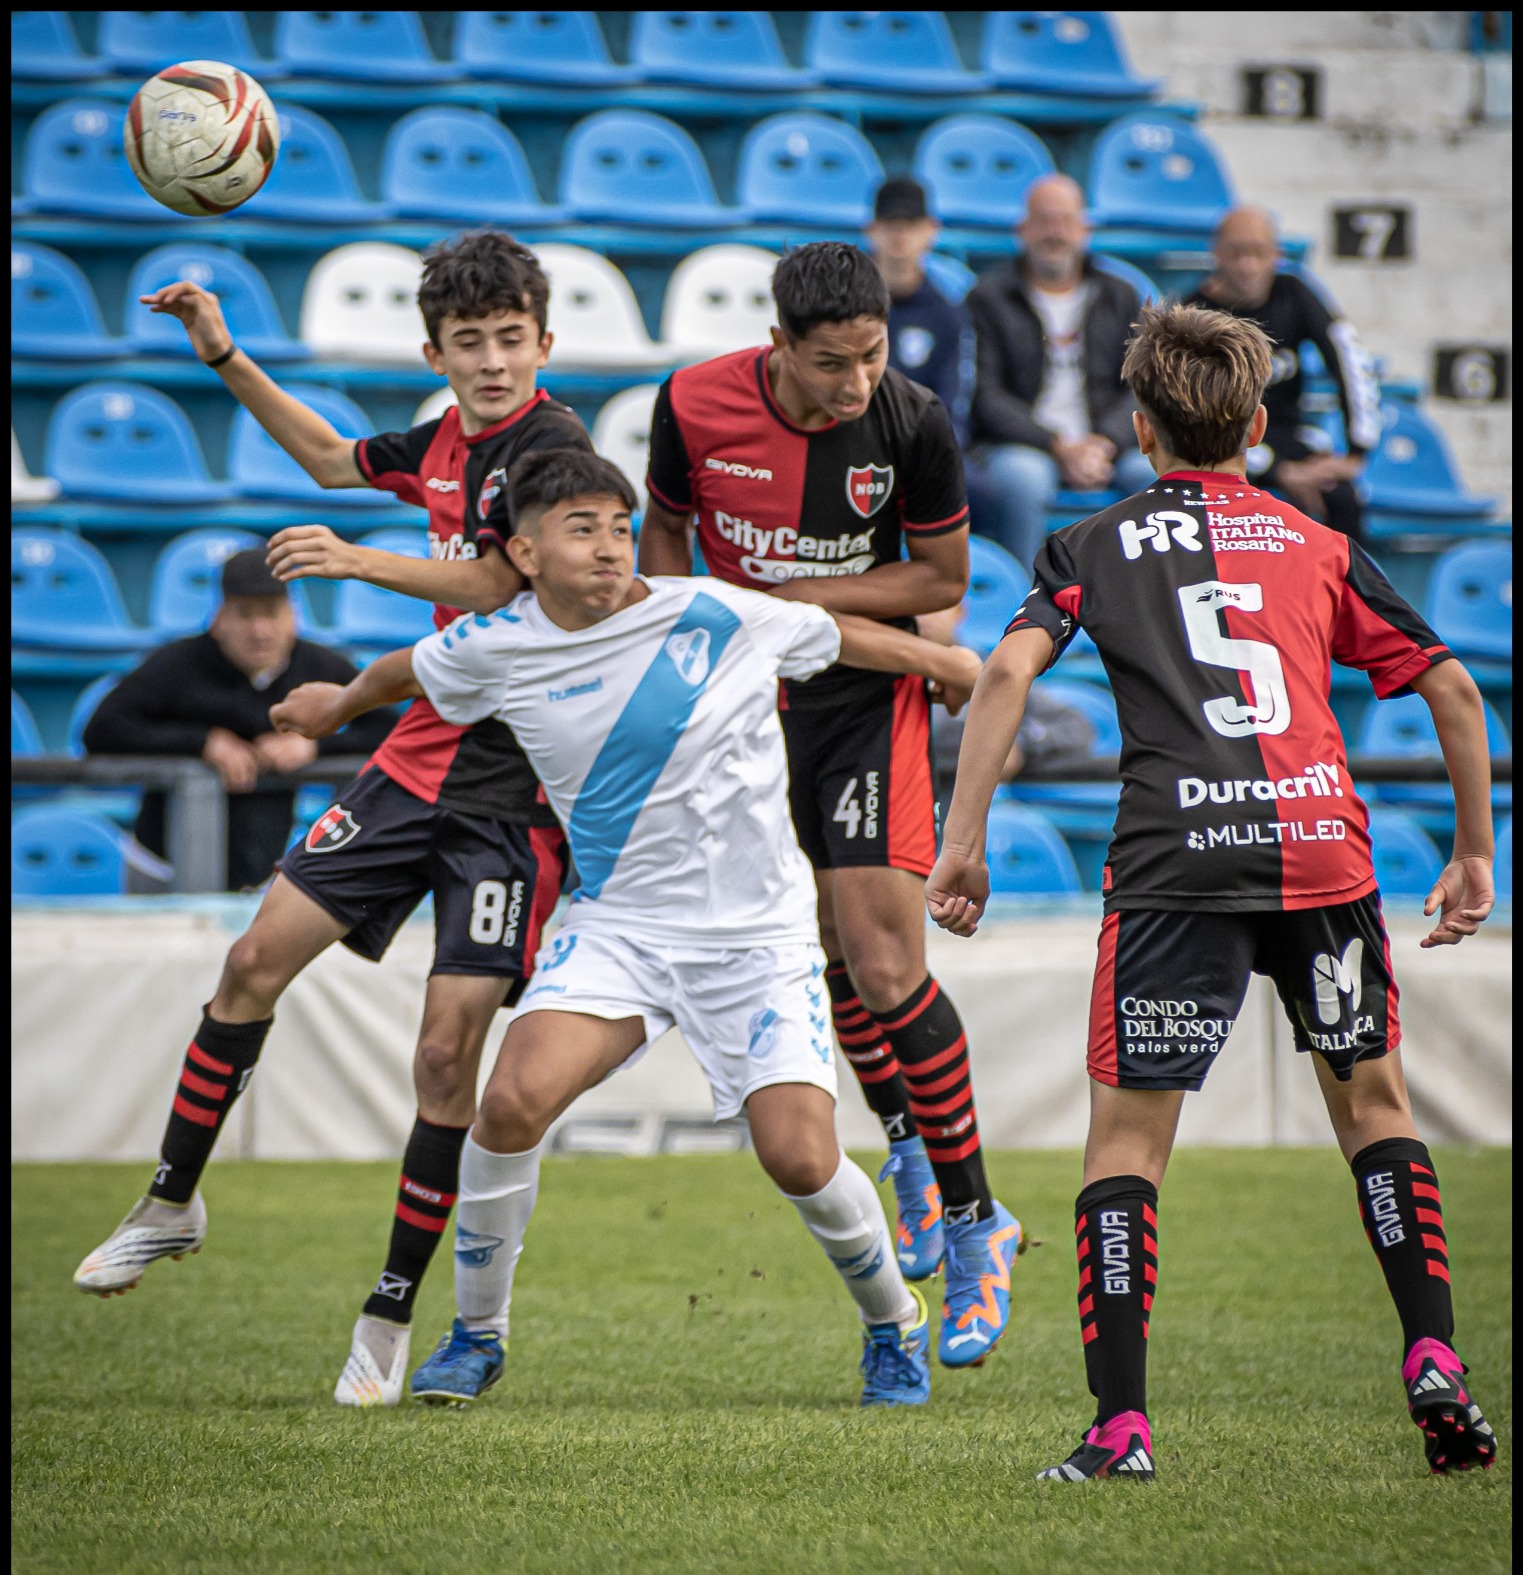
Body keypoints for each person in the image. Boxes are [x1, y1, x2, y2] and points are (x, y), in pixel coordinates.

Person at [272, 448, 990, 1407]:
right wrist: (336, 703)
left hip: (756, 942)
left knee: (801, 1158)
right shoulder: (497, 644)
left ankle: (890, 1320)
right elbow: (409, 668)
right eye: (582, 530)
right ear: (522, 554)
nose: (612, 546)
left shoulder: (710, 608)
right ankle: (477, 1334)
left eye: (617, 525)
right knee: (511, 1101)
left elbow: (836, 635)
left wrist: (945, 659)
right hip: (619, 929)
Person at [927, 303, 1499, 1482]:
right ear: (1250, 422)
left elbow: (1000, 674)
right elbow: (1450, 692)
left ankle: (1120, 1427)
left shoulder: (1090, 544)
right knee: (1376, 1113)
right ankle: (1432, 1357)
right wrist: (1472, 852)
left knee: (1127, 1145)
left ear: (1138, 429)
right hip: (1318, 854)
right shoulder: (1313, 541)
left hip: (1173, 866)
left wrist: (962, 841)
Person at [72, 229, 595, 1412]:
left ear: (543, 343)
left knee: (445, 1050)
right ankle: (172, 1200)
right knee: (252, 959)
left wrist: (356, 562)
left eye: (512, 340)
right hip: (415, 762)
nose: (494, 361)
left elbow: (511, 585)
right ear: (437, 352)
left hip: (512, 795)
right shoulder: (446, 441)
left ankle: (389, 1312)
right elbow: (324, 455)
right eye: (471, 343)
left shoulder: (553, 447)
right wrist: (223, 356)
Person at [640, 241, 1026, 1371]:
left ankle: (974, 1220)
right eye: (828, 364)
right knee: (821, 955)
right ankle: (905, 1141)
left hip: (861, 697)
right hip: (743, 708)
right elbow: (665, 530)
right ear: (775, 346)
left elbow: (942, 581)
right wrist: (694, 619)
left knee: (884, 962)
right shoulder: (690, 401)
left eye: (867, 357)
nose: (853, 383)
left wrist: (800, 597)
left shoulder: (908, 420)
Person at [82, 548, 393, 890]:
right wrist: (204, 742)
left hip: (264, 871)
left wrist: (314, 747)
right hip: (163, 865)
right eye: (245, 614)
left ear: (292, 618)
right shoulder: (178, 663)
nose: (260, 630)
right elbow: (103, 729)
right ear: (219, 620)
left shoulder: (319, 666)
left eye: (271, 613)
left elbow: (389, 727)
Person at [963, 174, 1155, 570]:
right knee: (1023, 480)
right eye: (1044, 221)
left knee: (1153, 473)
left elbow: (1141, 387)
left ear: (1085, 229)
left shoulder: (1119, 296)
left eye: (1065, 221)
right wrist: (1057, 445)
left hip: (1106, 444)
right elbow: (987, 396)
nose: (1055, 232)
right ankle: (1024, 606)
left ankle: (1143, 606)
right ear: (1022, 229)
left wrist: (1104, 442)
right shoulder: (988, 297)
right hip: (1024, 446)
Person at [1184, 205, 1381, 543]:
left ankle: (1347, 595)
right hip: (1223, 449)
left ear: (1276, 253)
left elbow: (1347, 357)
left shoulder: (1293, 292)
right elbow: (1194, 419)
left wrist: (1356, 451)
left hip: (1288, 435)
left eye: (1259, 252)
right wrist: (1279, 472)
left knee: (1342, 497)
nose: (1249, 265)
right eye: (1237, 253)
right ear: (1216, 253)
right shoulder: (1193, 314)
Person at [866, 176, 974, 441]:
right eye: (891, 224)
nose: (901, 235)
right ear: (872, 230)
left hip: (922, 443)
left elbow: (951, 398)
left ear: (931, 230)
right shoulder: (844, 304)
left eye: (911, 225)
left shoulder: (947, 313)